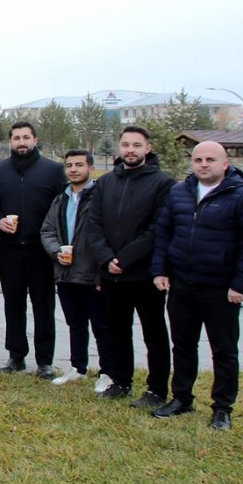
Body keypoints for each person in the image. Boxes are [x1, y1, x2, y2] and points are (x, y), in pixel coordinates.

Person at [150, 142, 243, 431]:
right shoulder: (179, 192)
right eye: (198, 159)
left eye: (210, 159)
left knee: (223, 350)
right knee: (183, 345)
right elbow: (164, 233)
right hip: (182, 285)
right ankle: (181, 398)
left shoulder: (242, 196)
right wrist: (160, 269)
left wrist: (241, 284)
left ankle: (222, 408)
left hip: (221, 288)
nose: (203, 164)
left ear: (225, 163)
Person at [84, 125, 174, 408]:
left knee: (154, 332)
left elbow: (157, 228)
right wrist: (106, 259)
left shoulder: (163, 183)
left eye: (137, 145)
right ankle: (121, 380)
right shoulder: (106, 182)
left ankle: (157, 389)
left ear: (148, 148)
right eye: (126, 144)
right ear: (120, 148)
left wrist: (124, 259)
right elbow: (93, 224)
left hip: (143, 273)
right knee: (117, 329)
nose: (130, 150)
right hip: (111, 273)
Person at [0, 121, 66, 378]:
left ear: (35, 140)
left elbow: (62, 209)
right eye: (16, 138)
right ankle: (16, 355)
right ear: (10, 141)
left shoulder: (53, 171)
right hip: (9, 250)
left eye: (26, 137)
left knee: (44, 306)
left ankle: (45, 360)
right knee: (13, 304)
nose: (21, 142)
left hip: (41, 252)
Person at [40, 149, 114, 390]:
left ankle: (107, 372)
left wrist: (103, 269)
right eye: (69, 165)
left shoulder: (101, 197)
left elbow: (109, 233)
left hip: (93, 273)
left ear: (90, 168)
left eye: (79, 165)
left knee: (102, 325)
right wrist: (55, 251)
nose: (73, 169)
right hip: (66, 272)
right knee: (76, 323)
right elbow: (47, 230)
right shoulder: (61, 199)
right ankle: (78, 368)